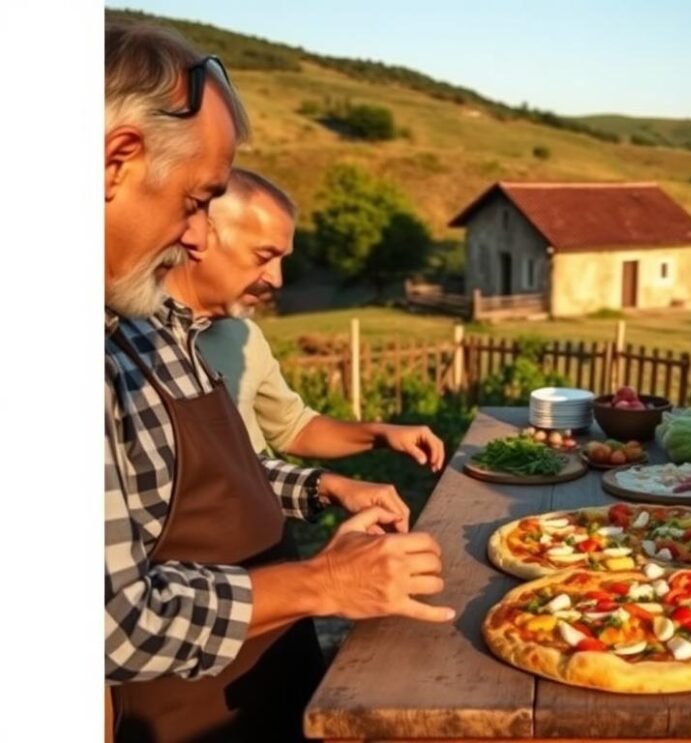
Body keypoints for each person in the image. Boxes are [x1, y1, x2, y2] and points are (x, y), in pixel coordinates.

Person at [104, 23, 453, 742]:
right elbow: (114, 622)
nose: (195, 239)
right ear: (117, 161)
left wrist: (321, 500)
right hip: (192, 710)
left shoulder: (152, 329)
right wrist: (325, 582)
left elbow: (215, 473)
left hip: (270, 664)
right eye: (198, 200)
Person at [164, 168, 446, 523]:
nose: (276, 279)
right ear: (198, 236)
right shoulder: (129, 347)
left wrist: (380, 433)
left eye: (283, 260)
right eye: (263, 256)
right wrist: (328, 487)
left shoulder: (242, 335)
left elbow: (293, 426)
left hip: (265, 531)